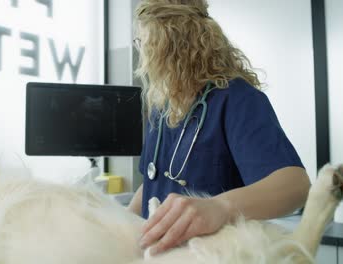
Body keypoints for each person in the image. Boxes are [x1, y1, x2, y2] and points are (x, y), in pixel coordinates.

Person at [127, 0, 311, 256]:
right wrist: (121, 227)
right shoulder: (162, 108)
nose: (142, 54)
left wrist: (220, 207)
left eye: (143, 42)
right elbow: (152, 182)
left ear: (168, 44)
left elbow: (295, 186)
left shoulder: (235, 99)